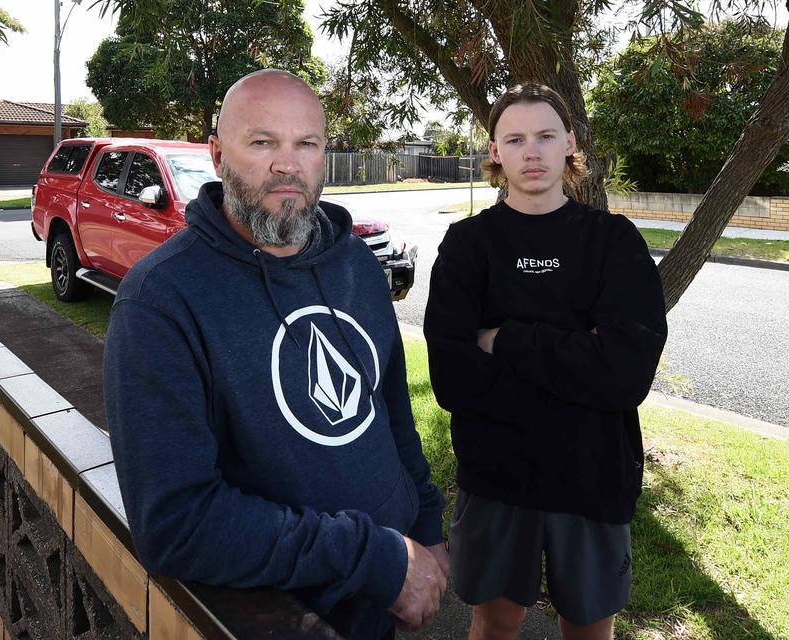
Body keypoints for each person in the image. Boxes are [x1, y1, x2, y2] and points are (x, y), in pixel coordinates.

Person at [103, 69, 447, 639]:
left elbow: (390, 414)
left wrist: (426, 524)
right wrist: (374, 556)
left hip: (386, 598)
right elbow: (176, 524)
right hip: (283, 616)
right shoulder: (161, 301)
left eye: (306, 144)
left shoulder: (358, 266)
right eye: (262, 142)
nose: (287, 164)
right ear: (217, 156)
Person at [424, 83, 667, 640]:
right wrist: (578, 365)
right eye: (515, 138)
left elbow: (625, 373)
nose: (530, 152)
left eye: (544, 136)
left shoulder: (613, 241)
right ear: (494, 151)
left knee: (587, 623)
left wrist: (504, 341)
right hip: (497, 476)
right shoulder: (467, 245)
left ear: (569, 144)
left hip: (592, 471)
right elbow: (453, 379)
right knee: (496, 619)